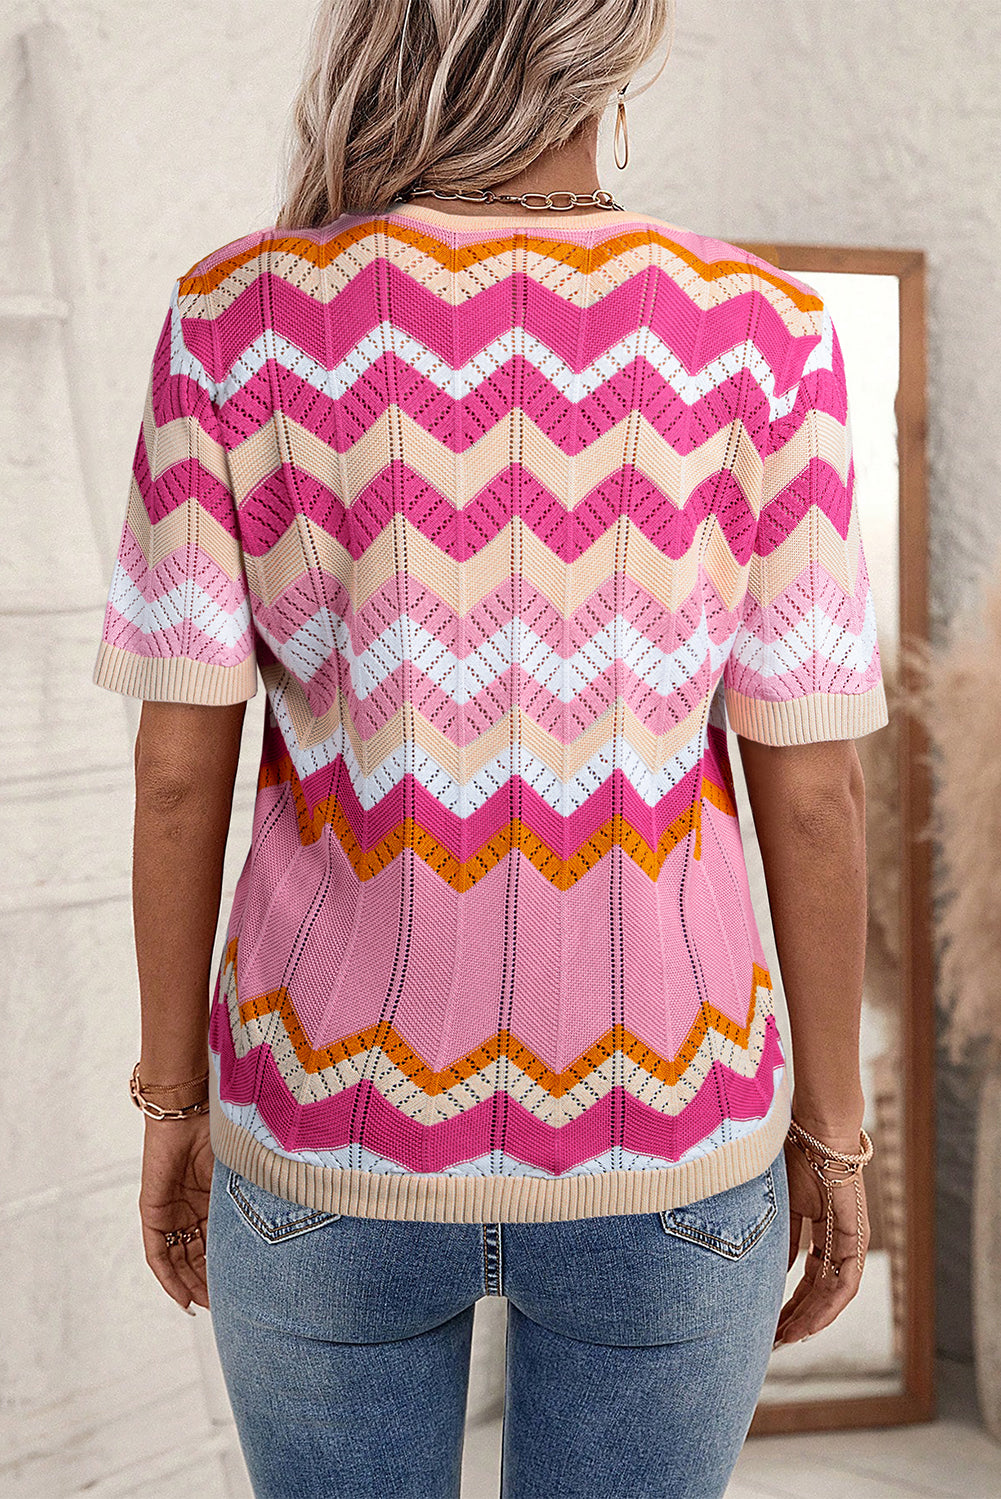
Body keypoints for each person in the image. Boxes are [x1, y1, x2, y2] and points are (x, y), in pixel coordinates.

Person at [93, 2, 888, 1495]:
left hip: (324, 1122)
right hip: (671, 1122)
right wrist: (834, 1132)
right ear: (616, 53)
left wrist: (172, 1097)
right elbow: (817, 787)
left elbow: (177, 773)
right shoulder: (762, 331)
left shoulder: (235, 316)